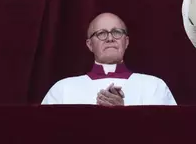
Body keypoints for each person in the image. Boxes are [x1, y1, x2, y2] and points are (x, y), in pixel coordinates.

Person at [41, 12, 177, 106]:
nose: (110, 38)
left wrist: (125, 115)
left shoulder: (154, 86)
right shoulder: (63, 89)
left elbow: (168, 133)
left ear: (126, 42)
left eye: (117, 32)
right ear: (90, 45)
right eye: (101, 33)